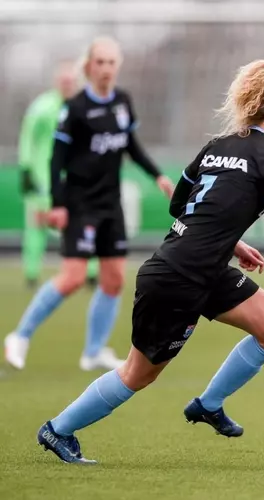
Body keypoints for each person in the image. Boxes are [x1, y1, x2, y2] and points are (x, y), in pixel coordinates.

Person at [36, 59, 264, 464]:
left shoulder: (218, 144)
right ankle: (58, 429)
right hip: (177, 279)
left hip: (202, 267)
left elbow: (179, 205)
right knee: (137, 375)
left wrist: (229, 244)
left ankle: (208, 404)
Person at [4, 36, 174, 372]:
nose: (107, 69)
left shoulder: (122, 102)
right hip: (80, 203)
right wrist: (57, 203)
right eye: (101, 62)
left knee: (113, 280)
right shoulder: (76, 108)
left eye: (112, 62)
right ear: (89, 67)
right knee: (72, 277)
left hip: (111, 203)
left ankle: (93, 351)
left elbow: (132, 146)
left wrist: (158, 176)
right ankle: (20, 335)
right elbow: (56, 159)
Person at [17, 61, 99, 288]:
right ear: (56, 82)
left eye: (71, 81)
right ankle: (31, 273)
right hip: (43, 176)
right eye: (64, 81)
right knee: (38, 224)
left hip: (75, 177)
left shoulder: (83, 107)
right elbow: (28, 138)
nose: (67, 85)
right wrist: (26, 168)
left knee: (84, 222)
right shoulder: (42, 108)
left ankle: (90, 272)